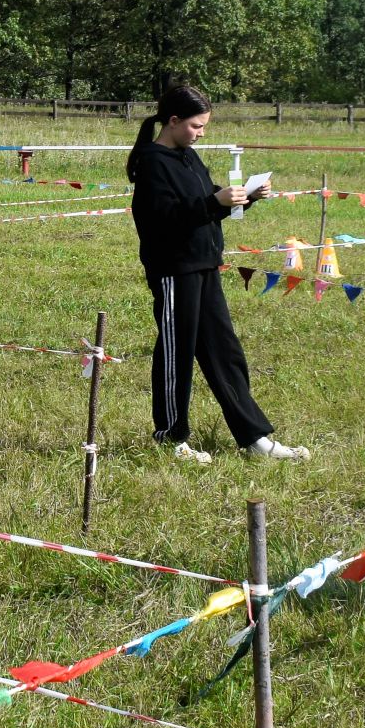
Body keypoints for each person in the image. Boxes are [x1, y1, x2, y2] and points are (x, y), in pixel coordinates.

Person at [129, 85, 310, 465]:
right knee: (176, 355)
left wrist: (246, 197)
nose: (201, 132)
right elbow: (163, 222)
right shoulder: (152, 164)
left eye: (204, 126)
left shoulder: (189, 157)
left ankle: (254, 437)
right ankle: (170, 437)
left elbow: (205, 207)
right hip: (173, 271)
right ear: (173, 121)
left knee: (225, 353)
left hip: (205, 266)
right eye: (196, 125)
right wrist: (214, 201)